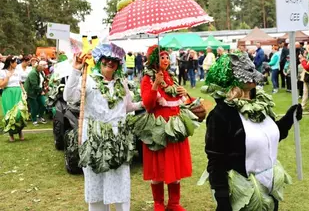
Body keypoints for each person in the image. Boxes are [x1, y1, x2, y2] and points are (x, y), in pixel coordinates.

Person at [202, 53, 302, 211]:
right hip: (244, 190)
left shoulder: (260, 104)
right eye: (246, 70)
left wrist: (289, 118)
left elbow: (268, 138)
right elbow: (216, 159)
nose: (253, 75)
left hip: (269, 186)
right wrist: (222, 197)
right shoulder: (221, 115)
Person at [63, 43, 142, 211]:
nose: (110, 62)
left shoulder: (122, 83)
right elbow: (69, 97)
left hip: (118, 139)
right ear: (99, 61)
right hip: (94, 138)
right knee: (96, 181)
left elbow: (127, 107)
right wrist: (76, 70)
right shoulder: (89, 81)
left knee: (120, 181)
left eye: (114, 60)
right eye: (106, 59)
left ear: (119, 64)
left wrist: (147, 103)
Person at [137, 45, 202, 211]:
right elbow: (148, 105)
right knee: (158, 167)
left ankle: (174, 203)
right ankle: (158, 203)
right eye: (161, 58)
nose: (165, 60)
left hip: (175, 128)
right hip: (158, 129)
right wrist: (155, 85)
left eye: (167, 57)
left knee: (175, 165)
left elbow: (184, 103)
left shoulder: (172, 78)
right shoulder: (148, 79)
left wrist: (185, 92)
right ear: (153, 61)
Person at [0, 56, 28, 142]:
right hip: (8, 93)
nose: (17, 64)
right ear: (11, 63)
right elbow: (1, 85)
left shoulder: (18, 71)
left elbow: (20, 83)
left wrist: (24, 91)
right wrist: (7, 77)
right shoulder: (3, 72)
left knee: (19, 113)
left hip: (18, 92)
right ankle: (11, 135)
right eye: (15, 62)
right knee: (9, 114)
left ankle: (20, 132)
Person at [24, 61, 48, 126]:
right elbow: (34, 85)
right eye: (44, 66)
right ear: (39, 66)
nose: (45, 68)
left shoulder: (41, 72)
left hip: (39, 91)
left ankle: (40, 117)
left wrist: (47, 80)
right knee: (34, 106)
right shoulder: (33, 73)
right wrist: (41, 91)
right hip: (31, 92)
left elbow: (42, 80)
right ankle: (34, 120)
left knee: (44, 103)